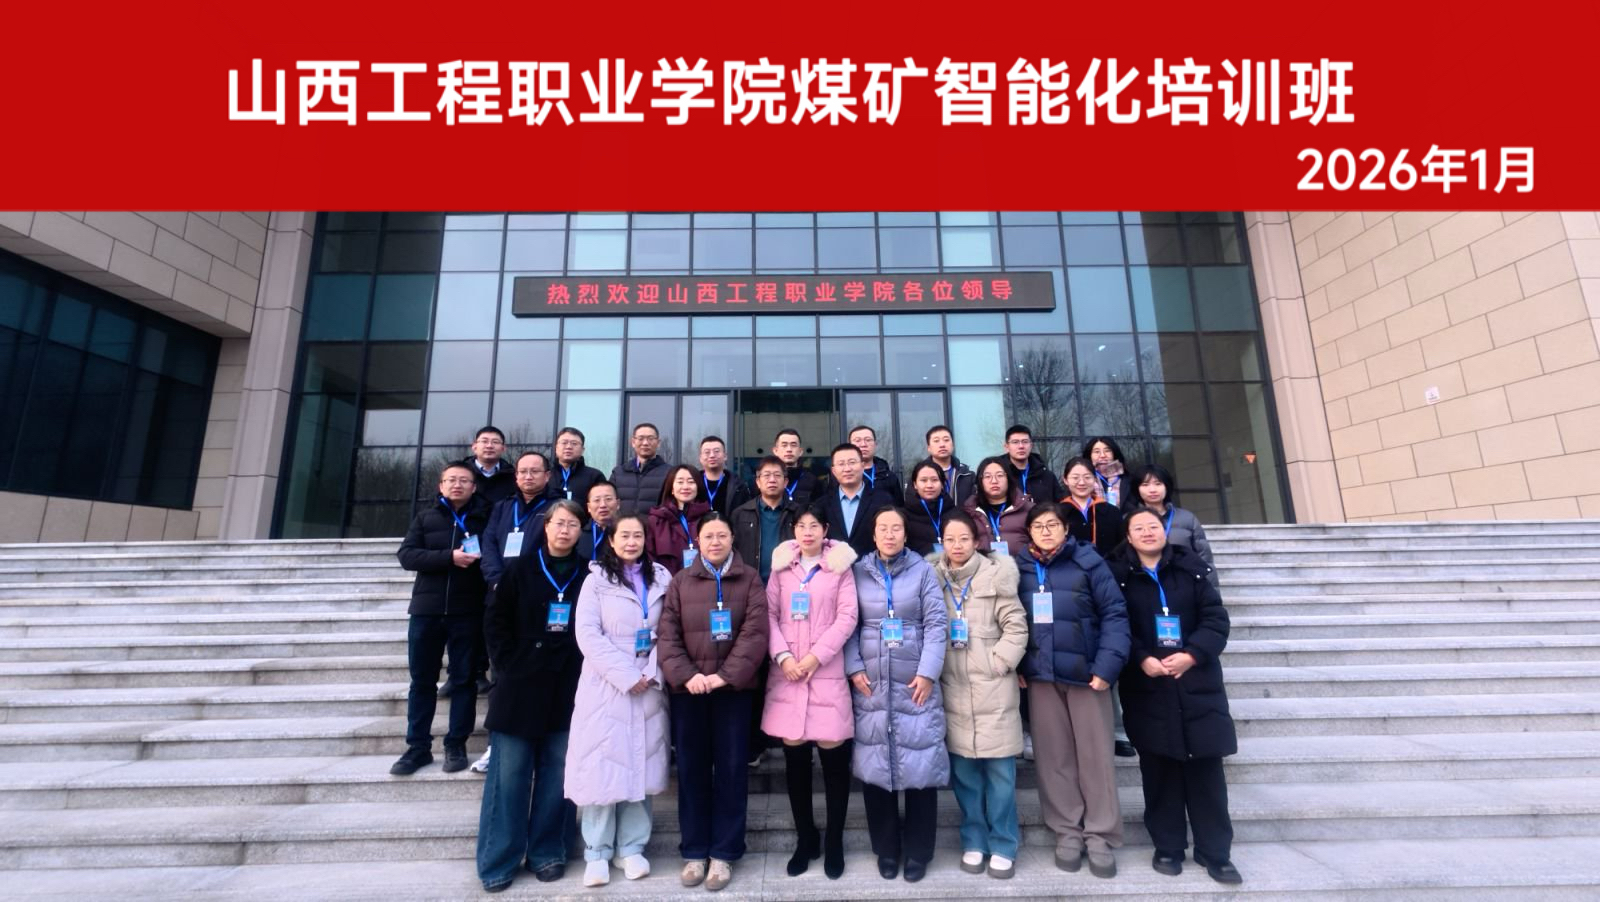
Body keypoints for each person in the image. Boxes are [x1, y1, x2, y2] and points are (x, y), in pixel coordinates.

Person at [1109, 506, 1241, 885]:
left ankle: (1215, 852)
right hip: (1147, 684)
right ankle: (1167, 847)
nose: (1147, 532)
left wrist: (1193, 654)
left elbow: (1216, 619)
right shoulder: (1119, 577)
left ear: (1164, 530)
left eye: (1153, 526)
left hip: (1196, 682)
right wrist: (1141, 658)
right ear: (1128, 537)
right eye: (1138, 528)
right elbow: (1117, 625)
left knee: (1206, 773)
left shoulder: (1191, 569)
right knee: (1159, 771)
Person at [476, 499, 588, 891]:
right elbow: (495, 622)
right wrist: (509, 664)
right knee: (509, 777)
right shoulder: (519, 569)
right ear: (546, 526)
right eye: (559, 523)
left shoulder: (588, 573)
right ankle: (499, 860)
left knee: (558, 774)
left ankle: (548, 852)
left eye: (572, 525)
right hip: (520, 686)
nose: (565, 530)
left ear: (581, 531)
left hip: (567, 686)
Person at [657, 512, 770, 892]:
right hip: (688, 693)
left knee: (732, 771)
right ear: (698, 542)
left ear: (732, 539)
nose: (716, 542)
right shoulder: (680, 582)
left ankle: (724, 852)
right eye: (709, 536)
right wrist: (689, 676)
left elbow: (755, 634)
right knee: (691, 771)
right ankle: (694, 851)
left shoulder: (749, 579)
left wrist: (724, 676)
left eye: (722, 535)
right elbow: (667, 635)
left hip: (733, 692)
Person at [1017, 503, 1130, 878]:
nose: (1046, 531)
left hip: (1087, 675)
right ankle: (1067, 830)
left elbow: (1114, 613)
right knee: (1053, 759)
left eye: (1053, 524)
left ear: (1066, 529)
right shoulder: (1020, 567)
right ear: (1029, 532)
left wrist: (1107, 666)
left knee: (1095, 757)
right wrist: (1019, 665)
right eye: (1038, 526)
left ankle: (1100, 834)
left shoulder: (1089, 562)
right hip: (1041, 677)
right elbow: (1011, 619)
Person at [565, 512, 672, 887]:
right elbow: (587, 634)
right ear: (610, 540)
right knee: (602, 765)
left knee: (641, 762)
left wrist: (652, 671)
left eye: (637, 535)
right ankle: (597, 851)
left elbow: (670, 630)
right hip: (606, 684)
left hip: (649, 681)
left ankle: (631, 847)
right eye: (624, 535)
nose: (631, 542)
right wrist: (626, 676)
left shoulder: (661, 577)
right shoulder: (596, 580)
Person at [844, 506, 948, 883]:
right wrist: (853, 667)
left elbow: (936, 623)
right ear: (873, 535)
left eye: (896, 528)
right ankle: (886, 849)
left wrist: (928, 672)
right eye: (883, 528)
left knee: (921, 763)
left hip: (914, 681)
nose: (889, 535)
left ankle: (919, 851)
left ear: (906, 534)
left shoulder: (922, 570)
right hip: (871, 681)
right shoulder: (858, 571)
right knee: (875, 764)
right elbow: (849, 623)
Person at [931, 509, 1028, 880]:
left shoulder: (995, 574)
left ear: (976, 541)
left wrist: (999, 663)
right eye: (950, 539)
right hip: (952, 687)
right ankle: (974, 839)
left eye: (964, 539)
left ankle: (1004, 842)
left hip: (993, 687)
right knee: (965, 775)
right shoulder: (933, 578)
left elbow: (1016, 625)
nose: (957, 546)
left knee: (1000, 774)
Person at [762, 508, 859, 879]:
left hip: (825, 672)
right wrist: (783, 656)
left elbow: (847, 617)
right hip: (787, 673)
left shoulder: (839, 568)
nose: (807, 532)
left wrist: (816, 656)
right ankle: (806, 838)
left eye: (814, 526)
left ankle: (834, 841)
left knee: (835, 767)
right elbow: (768, 615)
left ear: (825, 530)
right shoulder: (781, 568)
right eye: (800, 526)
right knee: (796, 767)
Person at [392, 464, 491, 776]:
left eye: (464, 480)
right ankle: (417, 746)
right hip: (427, 610)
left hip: (467, 609)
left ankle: (456, 744)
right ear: (441, 485)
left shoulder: (484, 519)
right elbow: (407, 555)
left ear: (474, 487)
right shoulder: (426, 518)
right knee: (422, 681)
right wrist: (449, 557)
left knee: (464, 680)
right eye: (451, 480)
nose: (457, 485)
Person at [1125, 463, 1217, 584]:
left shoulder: (1187, 519)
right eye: (1145, 485)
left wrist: (1210, 591)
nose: (1152, 490)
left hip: (1186, 583)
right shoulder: (1128, 520)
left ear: (1167, 486)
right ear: (1137, 489)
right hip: (1145, 584)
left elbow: (1204, 559)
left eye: (1158, 484)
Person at [481, 451, 553, 588]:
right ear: (516, 476)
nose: (528, 477)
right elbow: (489, 545)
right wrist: (497, 580)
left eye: (535, 471)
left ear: (547, 476)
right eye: (523, 471)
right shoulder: (502, 506)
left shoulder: (557, 507)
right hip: (500, 587)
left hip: (539, 586)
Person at [732, 455, 802, 581]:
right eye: (766, 475)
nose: (772, 480)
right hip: (751, 584)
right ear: (758, 482)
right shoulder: (741, 514)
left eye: (777, 475)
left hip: (790, 583)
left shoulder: (798, 513)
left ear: (785, 482)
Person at [815, 442, 894, 556]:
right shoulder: (821, 505)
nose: (847, 469)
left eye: (852, 462)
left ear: (862, 466)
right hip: (834, 565)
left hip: (873, 565)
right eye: (841, 464)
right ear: (833, 471)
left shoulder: (883, 500)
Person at [646, 464, 713, 576]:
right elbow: (649, 559)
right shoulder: (656, 521)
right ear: (672, 488)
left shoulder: (710, 520)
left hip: (705, 582)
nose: (685, 487)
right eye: (680, 482)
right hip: (667, 583)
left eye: (691, 482)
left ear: (698, 487)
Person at [966, 456, 1034, 556]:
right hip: (982, 566)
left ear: (1008, 478)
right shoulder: (969, 512)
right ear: (980, 481)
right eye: (988, 476)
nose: (994, 481)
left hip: (1020, 565)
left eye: (1000, 475)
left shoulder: (1028, 509)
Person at [1062, 456, 1126, 559]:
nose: (1082, 482)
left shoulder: (1112, 512)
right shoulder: (1059, 513)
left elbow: (1122, 546)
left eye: (1087, 477)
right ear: (1065, 480)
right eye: (1075, 478)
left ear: (1095, 479)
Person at [612, 422, 670, 514]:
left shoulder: (669, 473)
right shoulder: (618, 473)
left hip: (655, 523)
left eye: (650, 438)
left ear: (658, 443)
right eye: (640, 438)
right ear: (633, 442)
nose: (645, 443)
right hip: (624, 523)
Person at [1002, 424, 1061, 504]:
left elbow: (1059, 504)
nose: (1021, 446)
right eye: (1015, 442)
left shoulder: (1046, 475)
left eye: (1025, 442)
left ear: (1031, 445)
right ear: (1006, 447)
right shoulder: (999, 475)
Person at [458, 426, 517, 506]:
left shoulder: (513, 476)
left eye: (495, 442)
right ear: (474, 446)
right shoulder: (460, 473)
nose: (489, 446)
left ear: (503, 448)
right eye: (484, 441)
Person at [848, 424, 904, 507]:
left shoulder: (888, 476)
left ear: (875, 444)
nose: (863, 444)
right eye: (857, 440)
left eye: (868, 440)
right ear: (849, 446)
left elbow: (899, 508)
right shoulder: (842, 476)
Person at [548, 426, 606, 505]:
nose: (568, 447)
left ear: (582, 450)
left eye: (574, 443)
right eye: (564, 443)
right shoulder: (545, 475)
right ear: (556, 447)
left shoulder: (594, 476)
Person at [902, 461, 949, 556]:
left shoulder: (955, 513)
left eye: (934, 480)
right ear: (915, 484)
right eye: (923, 480)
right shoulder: (903, 516)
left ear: (942, 484)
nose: (929, 485)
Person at [921, 424, 975, 506]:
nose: (942, 445)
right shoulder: (919, 475)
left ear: (953, 445)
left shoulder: (967, 475)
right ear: (929, 448)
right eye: (936, 441)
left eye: (946, 440)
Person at [698, 435, 751, 518]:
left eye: (716, 451)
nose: (712, 455)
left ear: (725, 456)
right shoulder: (693, 483)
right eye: (707, 452)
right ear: (700, 458)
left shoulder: (738, 486)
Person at [773, 428, 818, 507]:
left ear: (800, 451)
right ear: (775, 451)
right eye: (784, 445)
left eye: (793, 445)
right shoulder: (766, 480)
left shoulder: (812, 481)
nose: (789, 449)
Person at [577, 479, 619, 559]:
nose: (603, 505)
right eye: (597, 500)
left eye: (608, 499)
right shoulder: (579, 533)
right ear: (589, 507)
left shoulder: (625, 533)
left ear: (618, 504)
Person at [1084, 437, 1129, 508]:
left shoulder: (1128, 479)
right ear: (1089, 455)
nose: (1103, 455)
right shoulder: (1083, 481)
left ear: (1114, 453)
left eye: (1107, 451)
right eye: (1097, 452)